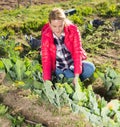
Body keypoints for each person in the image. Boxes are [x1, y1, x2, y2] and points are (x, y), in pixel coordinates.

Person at [41, 8, 95, 84]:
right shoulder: (46, 35)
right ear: (49, 24)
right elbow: (46, 58)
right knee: (69, 77)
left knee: (90, 68)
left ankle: (74, 80)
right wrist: (47, 80)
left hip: (72, 64)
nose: (57, 30)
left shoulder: (73, 30)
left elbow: (77, 52)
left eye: (60, 26)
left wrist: (77, 75)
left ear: (64, 22)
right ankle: (66, 79)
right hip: (60, 68)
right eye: (54, 26)